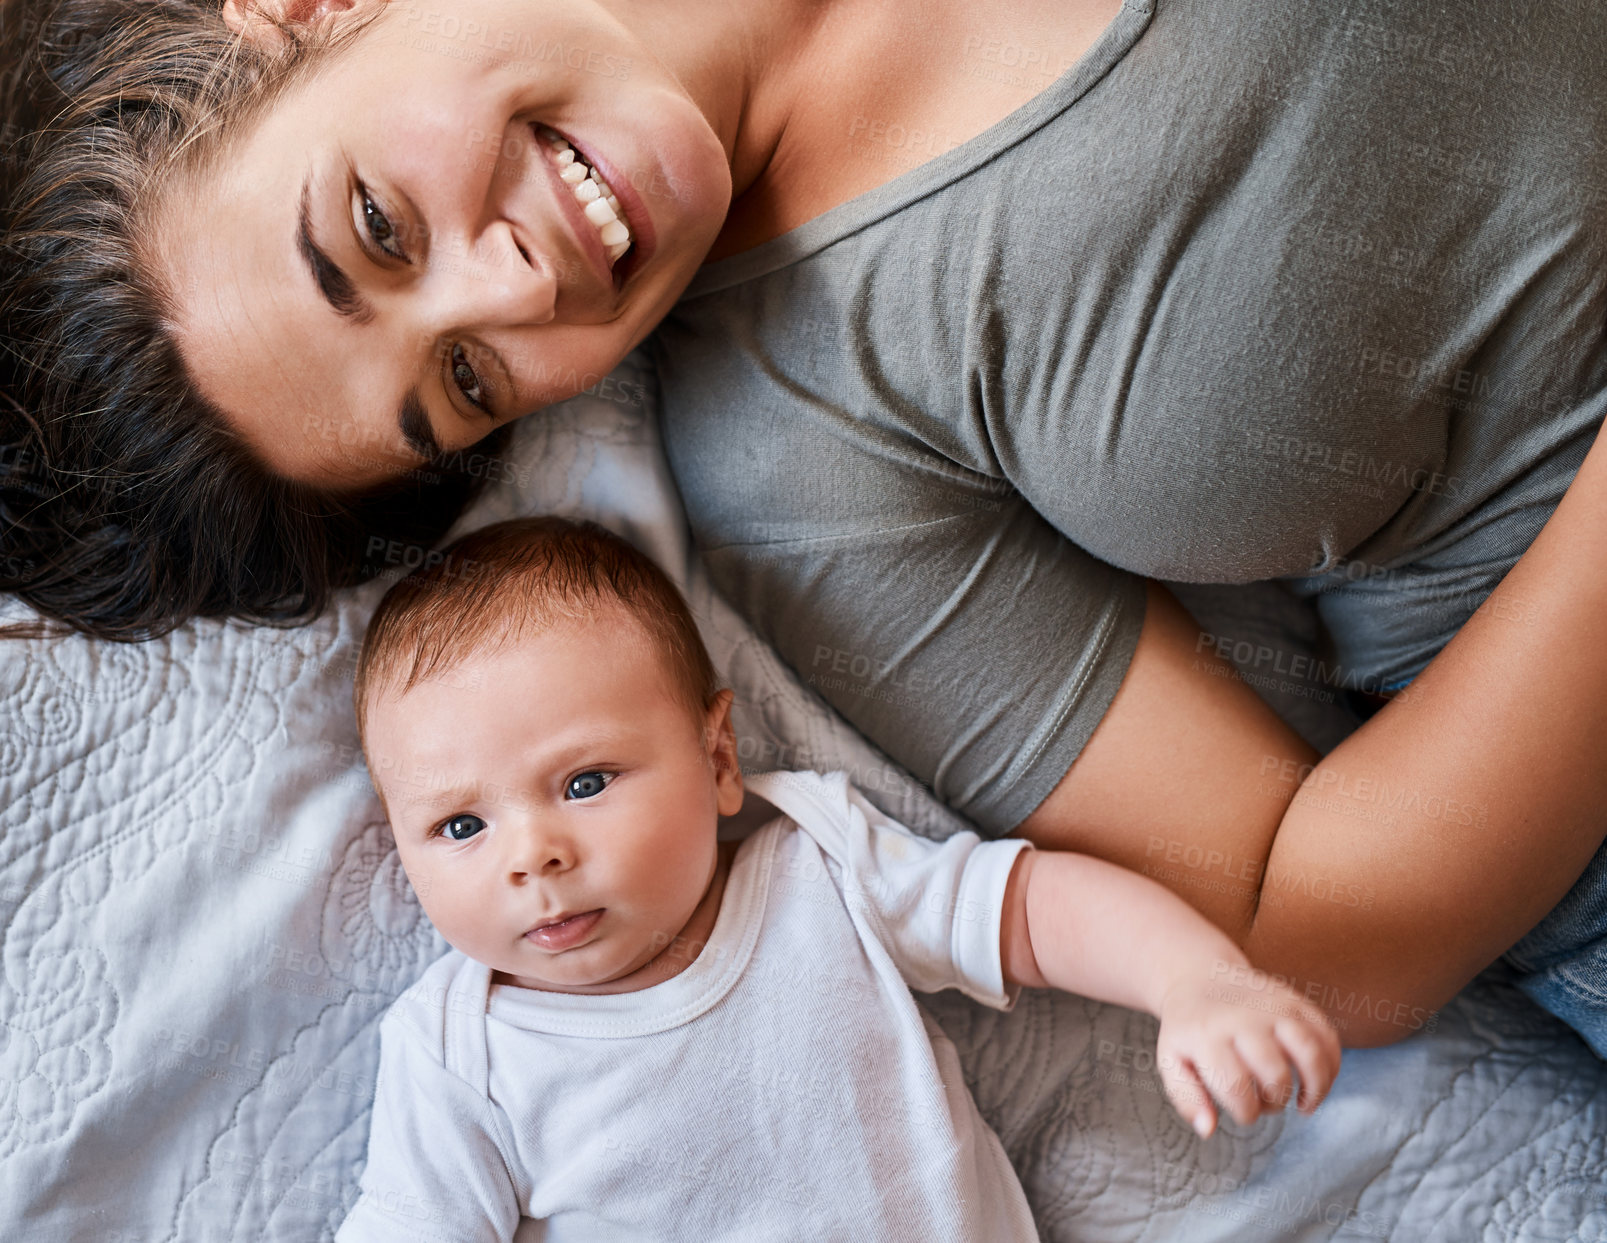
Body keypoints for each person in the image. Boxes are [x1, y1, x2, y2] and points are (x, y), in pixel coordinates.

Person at [1, 0, 1605, 1054]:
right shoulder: (797, 450)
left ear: (308, 13)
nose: (514, 285)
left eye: (374, 223)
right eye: (471, 380)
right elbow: (1317, 935)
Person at [339, 515, 1341, 1241]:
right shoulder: (461, 1052)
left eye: (584, 780)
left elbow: (1032, 907)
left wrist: (1191, 980)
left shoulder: (821, 873)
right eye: (460, 823)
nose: (532, 854)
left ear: (719, 759)